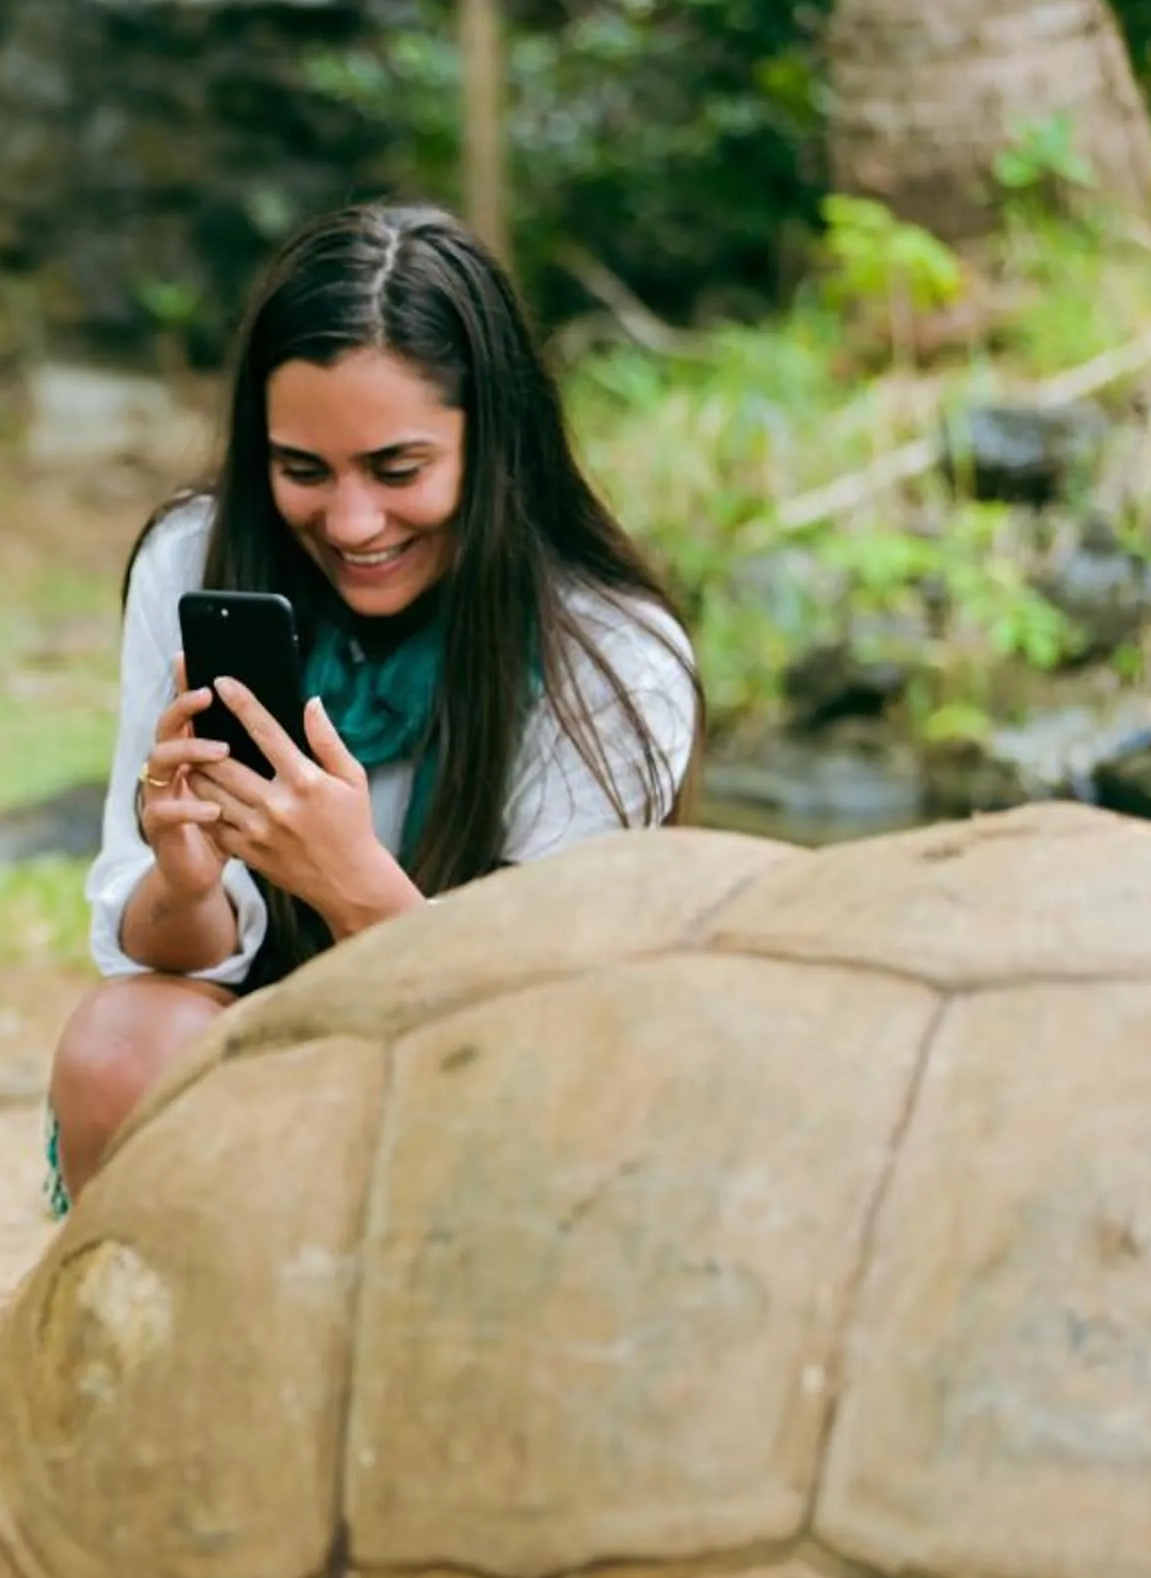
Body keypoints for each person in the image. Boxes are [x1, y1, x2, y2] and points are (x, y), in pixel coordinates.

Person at [45, 202, 703, 1208]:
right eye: (302, 471)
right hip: (273, 1058)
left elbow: (552, 1023)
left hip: (511, 1094)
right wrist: (187, 887)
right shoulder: (194, 560)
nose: (352, 523)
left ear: (496, 444)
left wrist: (354, 885)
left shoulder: (614, 657)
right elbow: (169, 957)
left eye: (400, 470)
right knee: (120, 1040)